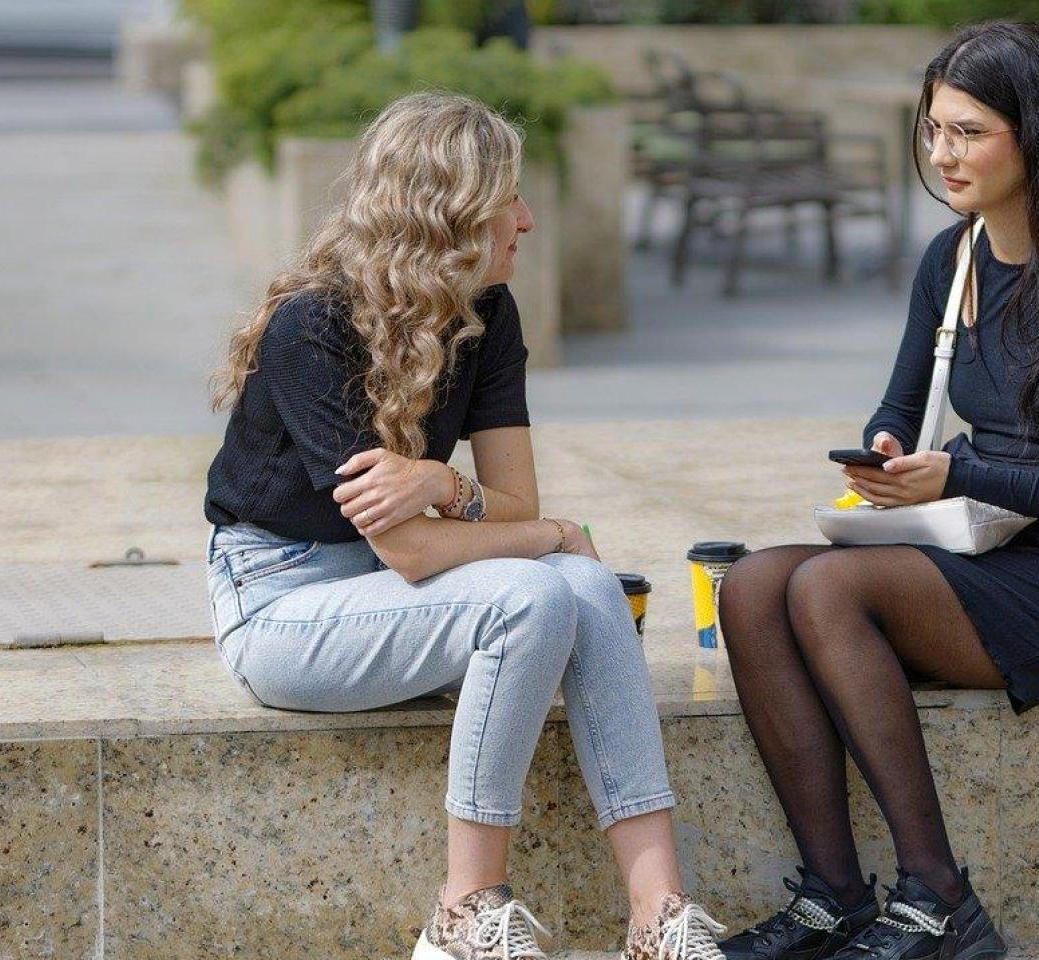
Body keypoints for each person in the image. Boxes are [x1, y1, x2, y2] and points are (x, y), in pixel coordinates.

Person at [714, 22, 1039, 960]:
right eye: (934, 129)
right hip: (977, 545)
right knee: (749, 585)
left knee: (825, 586)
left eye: (969, 132)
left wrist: (959, 472)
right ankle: (832, 896)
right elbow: (899, 406)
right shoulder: (952, 260)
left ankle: (940, 899)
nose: (942, 154)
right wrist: (882, 451)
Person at [201, 91, 729, 960]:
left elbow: (505, 504)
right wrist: (550, 533)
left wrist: (444, 482)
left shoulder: (488, 316)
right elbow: (412, 551)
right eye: (505, 202)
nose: (525, 219)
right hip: (281, 603)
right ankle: (464, 912)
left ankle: (658, 913)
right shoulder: (313, 327)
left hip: (401, 594)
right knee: (531, 592)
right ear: (443, 217)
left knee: (590, 588)